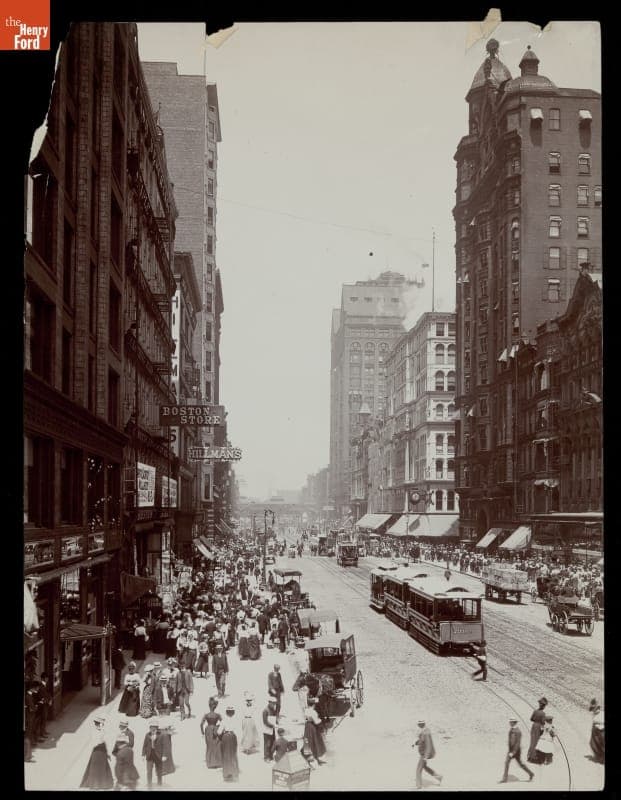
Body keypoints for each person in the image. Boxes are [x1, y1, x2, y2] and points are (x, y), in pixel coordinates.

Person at [80, 716, 114, 790]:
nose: (100, 725)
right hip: (96, 751)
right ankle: (95, 784)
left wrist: (108, 753)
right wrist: (100, 742)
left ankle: (103, 783)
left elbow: (106, 742)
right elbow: (94, 742)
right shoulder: (94, 732)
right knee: (95, 768)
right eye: (98, 724)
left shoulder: (103, 731)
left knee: (103, 767)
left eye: (101, 724)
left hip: (102, 751)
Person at [500, 718, 534, 782]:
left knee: (520, 764)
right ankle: (504, 779)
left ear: (514, 722)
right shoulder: (511, 730)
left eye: (511, 722)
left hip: (516, 751)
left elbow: (517, 743)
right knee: (507, 762)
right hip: (511, 750)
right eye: (510, 722)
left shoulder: (518, 731)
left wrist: (513, 752)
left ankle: (531, 773)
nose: (509, 723)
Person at [413, 720, 442, 790]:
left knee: (418, 769)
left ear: (423, 724)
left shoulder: (426, 732)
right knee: (425, 767)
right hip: (423, 753)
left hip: (424, 754)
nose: (418, 725)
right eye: (418, 724)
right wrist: (415, 743)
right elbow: (422, 741)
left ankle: (418, 786)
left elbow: (428, 745)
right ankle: (438, 777)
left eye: (420, 724)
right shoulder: (423, 731)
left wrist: (426, 756)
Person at [141, 720, 165, 788]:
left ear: (157, 728)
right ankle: (149, 785)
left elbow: (164, 745)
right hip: (149, 755)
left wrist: (164, 755)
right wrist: (143, 754)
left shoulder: (161, 735)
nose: (152, 729)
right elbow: (144, 745)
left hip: (158, 755)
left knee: (159, 771)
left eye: (154, 727)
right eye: (151, 727)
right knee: (149, 771)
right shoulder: (147, 735)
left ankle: (159, 783)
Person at [201, 696, 223, 769]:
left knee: (209, 746)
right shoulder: (217, 715)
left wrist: (202, 732)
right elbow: (223, 722)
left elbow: (201, 724)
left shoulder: (206, 715)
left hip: (208, 730)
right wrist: (218, 726)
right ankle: (216, 762)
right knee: (216, 745)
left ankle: (210, 763)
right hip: (215, 729)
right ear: (215, 707)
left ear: (209, 706)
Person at [303, 698, 327, 764]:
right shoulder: (313, 712)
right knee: (316, 742)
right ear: (313, 705)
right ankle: (316, 758)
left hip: (307, 726)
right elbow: (316, 721)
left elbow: (306, 718)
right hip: (313, 727)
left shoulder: (306, 710)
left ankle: (310, 757)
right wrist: (322, 725)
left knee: (309, 742)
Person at [220, 706, 240, 782]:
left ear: (226, 712)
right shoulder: (236, 720)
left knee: (226, 755)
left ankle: (227, 774)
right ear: (233, 712)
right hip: (233, 736)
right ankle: (233, 772)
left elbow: (219, 731)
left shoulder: (224, 720)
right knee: (233, 754)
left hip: (226, 737)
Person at [527, 697, 548, 763]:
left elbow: (531, 719)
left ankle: (530, 756)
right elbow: (543, 722)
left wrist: (536, 720)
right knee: (537, 741)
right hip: (538, 727)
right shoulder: (543, 714)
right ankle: (535, 756)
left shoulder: (535, 711)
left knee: (532, 741)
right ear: (543, 706)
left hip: (533, 727)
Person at [262, 697, 278, 762]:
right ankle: (266, 757)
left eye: (275, 704)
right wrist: (273, 725)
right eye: (273, 703)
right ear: (269, 702)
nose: (274, 705)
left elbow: (274, 718)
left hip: (272, 730)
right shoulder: (265, 710)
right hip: (267, 730)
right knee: (267, 744)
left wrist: (277, 722)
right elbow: (265, 722)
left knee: (272, 743)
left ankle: (271, 756)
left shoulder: (273, 710)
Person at [588, 698, 604, 763]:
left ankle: (602, 757)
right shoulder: (594, 714)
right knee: (593, 743)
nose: (594, 710)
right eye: (593, 709)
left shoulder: (602, 714)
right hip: (595, 731)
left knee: (601, 744)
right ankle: (599, 756)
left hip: (601, 731)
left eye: (595, 709)